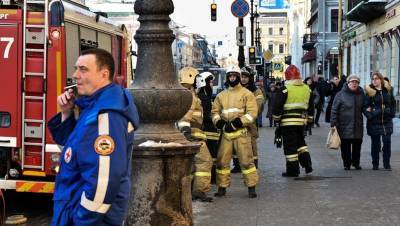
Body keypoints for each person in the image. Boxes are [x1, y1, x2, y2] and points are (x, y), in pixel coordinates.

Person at [48, 48, 140, 225]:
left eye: (83, 69)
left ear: (104, 75)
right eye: (76, 69)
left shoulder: (106, 115)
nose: (75, 75)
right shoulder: (93, 107)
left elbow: (103, 181)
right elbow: (72, 153)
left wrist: (82, 219)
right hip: (74, 210)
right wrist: (67, 114)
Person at [212, 65, 259, 198]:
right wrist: (220, 123)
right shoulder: (221, 95)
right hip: (226, 134)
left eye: (234, 76)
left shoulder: (247, 94)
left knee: (246, 162)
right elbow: (214, 112)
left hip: (241, 133)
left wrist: (237, 123)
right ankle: (222, 187)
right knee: (222, 162)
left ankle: (251, 187)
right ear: (228, 78)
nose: (232, 78)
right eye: (230, 76)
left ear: (238, 77)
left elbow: (252, 113)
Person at [177, 67, 213, 202]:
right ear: (191, 78)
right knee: (205, 161)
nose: (199, 81)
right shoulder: (190, 96)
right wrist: (186, 132)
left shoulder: (184, 93)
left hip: (191, 134)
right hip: (193, 135)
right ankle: (199, 191)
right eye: (197, 79)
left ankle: (190, 190)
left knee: (192, 165)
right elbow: (185, 116)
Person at [272, 65, 313, 177]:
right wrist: (309, 121)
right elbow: (311, 107)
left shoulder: (285, 89)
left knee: (290, 147)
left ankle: (293, 170)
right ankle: (307, 164)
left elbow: (277, 107)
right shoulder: (307, 88)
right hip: (301, 122)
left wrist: (276, 120)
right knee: (301, 143)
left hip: (287, 123)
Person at [330, 75, 364, 170]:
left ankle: (356, 163)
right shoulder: (340, 94)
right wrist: (333, 123)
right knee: (345, 146)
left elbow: (365, 107)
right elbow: (334, 110)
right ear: (348, 83)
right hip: (344, 125)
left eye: (356, 82)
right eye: (352, 82)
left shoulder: (361, 94)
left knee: (357, 145)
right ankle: (347, 163)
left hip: (357, 125)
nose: (354, 83)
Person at [363, 72, 396, 170]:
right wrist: (370, 115)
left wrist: (392, 113)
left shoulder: (388, 90)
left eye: (376, 78)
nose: (374, 80)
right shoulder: (369, 92)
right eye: (373, 79)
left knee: (387, 143)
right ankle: (375, 163)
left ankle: (386, 164)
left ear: (381, 79)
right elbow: (365, 107)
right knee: (376, 144)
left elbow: (393, 103)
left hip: (387, 121)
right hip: (374, 122)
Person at [197, 71, 220, 184]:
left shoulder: (204, 97)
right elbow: (205, 116)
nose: (211, 84)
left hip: (210, 131)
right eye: (210, 82)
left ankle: (213, 177)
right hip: (208, 132)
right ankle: (212, 178)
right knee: (212, 155)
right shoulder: (203, 98)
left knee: (213, 155)